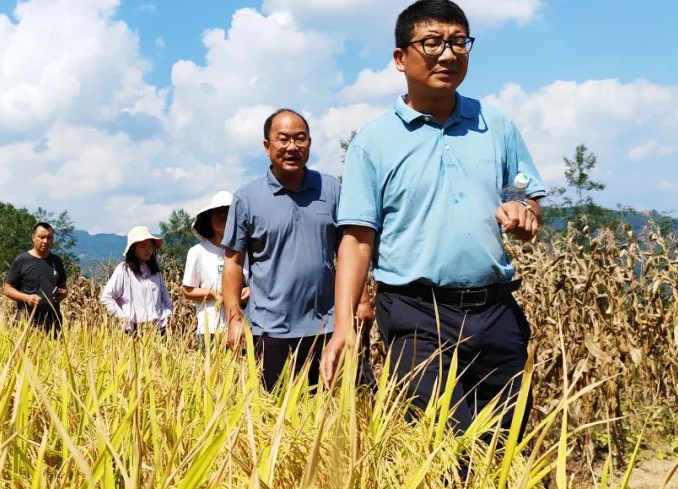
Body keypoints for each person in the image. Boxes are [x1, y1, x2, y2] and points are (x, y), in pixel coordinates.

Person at [320, 0, 547, 434]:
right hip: (414, 310)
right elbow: (357, 239)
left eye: (459, 42)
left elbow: (529, 197)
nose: (448, 54)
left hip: (495, 307)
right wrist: (343, 325)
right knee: (440, 440)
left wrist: (526, 214)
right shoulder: (373, 141)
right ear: (400, 58)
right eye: (432, 43)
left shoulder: (496, 124)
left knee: (508, 438)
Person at [222, 108, 370, 391]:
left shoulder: (330, 189)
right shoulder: (247, 197)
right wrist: (233, 319)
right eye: (283, 139)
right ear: (267, 146)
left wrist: (362, 300)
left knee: (328, 413)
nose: (292, 147)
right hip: (269, 330)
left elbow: (349, 248)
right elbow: (232, 263)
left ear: (310, 143)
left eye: (300, 139)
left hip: (327, 327)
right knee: (274, 415)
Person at [181, 191, 250, 350]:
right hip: (210, 328)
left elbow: (259, 283)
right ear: (209, 219)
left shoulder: (247, 252)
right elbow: (187, 291)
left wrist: (249, 291)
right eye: (218, 213)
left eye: (228, 213)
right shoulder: (197, 252)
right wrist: (213, 293)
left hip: (243, 327)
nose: (223, 218)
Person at [100, 226, 174, 333]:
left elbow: (166, 298)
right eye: (143, 246)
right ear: (133, 248)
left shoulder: (155, 272)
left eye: (150, 246)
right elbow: (106, 297)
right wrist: (124, 319)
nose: (148, 250)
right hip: (133, 332)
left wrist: (167, 315)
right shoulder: (124, 270)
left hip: (158, 330)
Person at [3, 222, 68, 331]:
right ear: (33, 238)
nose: (45, 241)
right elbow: (7, 289)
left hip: (53, 322)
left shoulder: (56, 261)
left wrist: (64, 293)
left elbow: (64, 287)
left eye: (49, 238)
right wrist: (27, 298)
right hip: (27, 322)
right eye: (41, 237)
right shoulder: (22, 260)